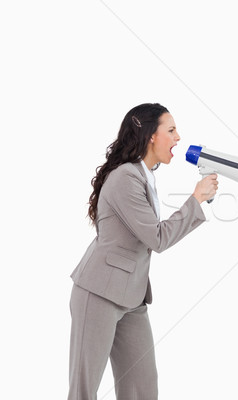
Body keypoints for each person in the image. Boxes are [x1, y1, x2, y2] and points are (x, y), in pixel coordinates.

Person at [68, 103, 218, 399]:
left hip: (132, 297)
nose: (178, 138)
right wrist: (196, 199)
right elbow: (158, 238)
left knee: (142, 388)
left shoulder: (144, 175)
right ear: (151, 135)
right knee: (84, 391)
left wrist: (198, 200)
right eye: (171, 130)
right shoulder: (125, 177)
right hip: (98, 294)